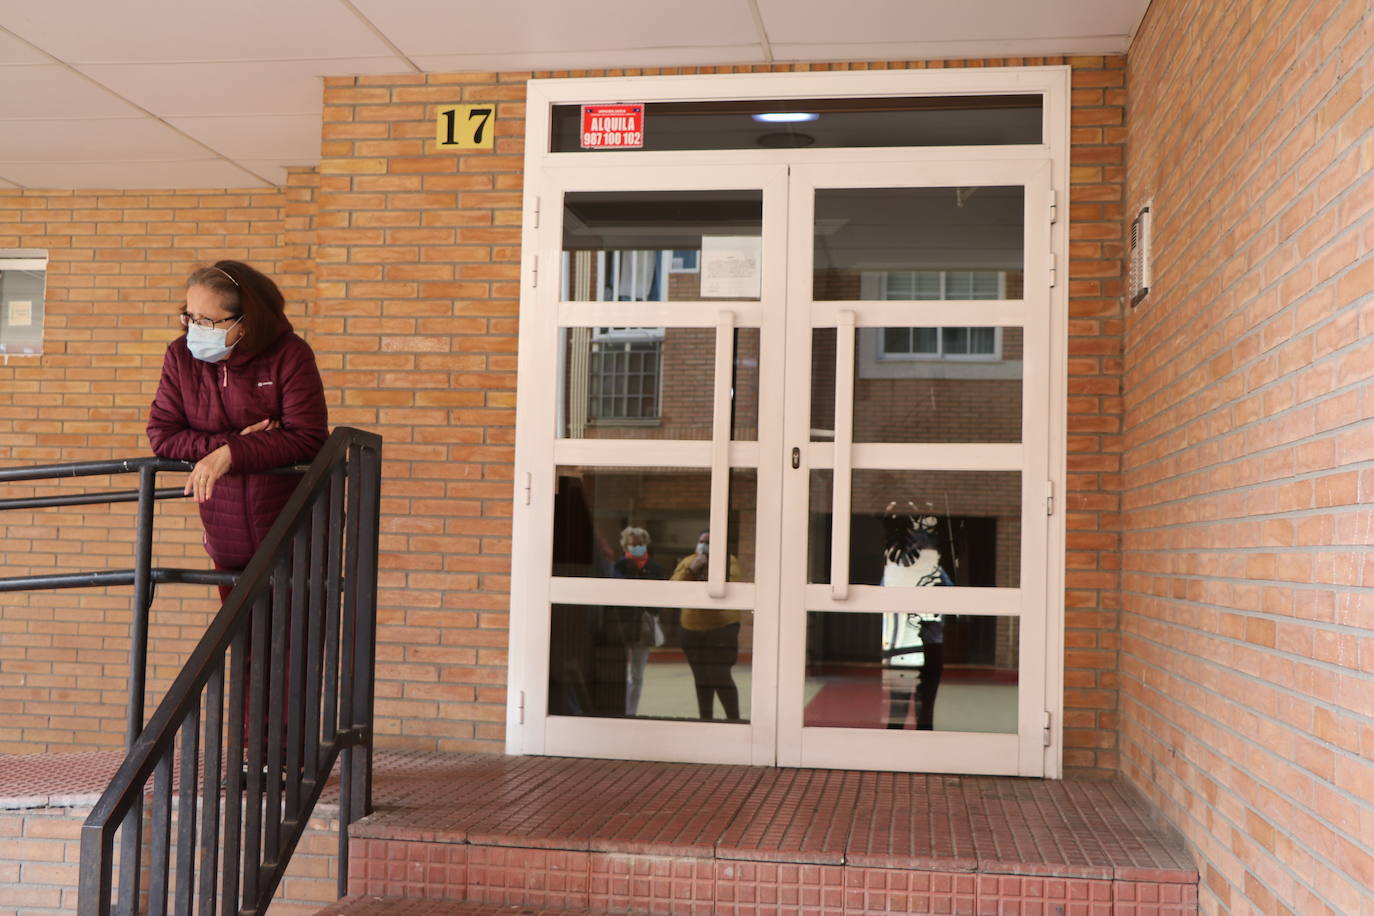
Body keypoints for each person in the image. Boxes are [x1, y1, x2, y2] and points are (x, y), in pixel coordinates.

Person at [147, 260, 329, 589]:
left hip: (294, 536)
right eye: (189, 317)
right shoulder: (180, 356)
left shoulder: (290, 354)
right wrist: (230, 448)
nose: (194, 328)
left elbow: (308, 437)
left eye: (207, 320)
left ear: (245, 321)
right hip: (226, 536)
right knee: (240, 638)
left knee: (293, 638)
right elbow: (163, 435)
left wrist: (233, 453)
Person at [879, 507, 948, 730]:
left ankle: (919, 749)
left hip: (927, 643)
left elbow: (955, 599)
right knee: (902, 709)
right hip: (903, 645)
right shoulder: (896, 568)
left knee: (921, 710)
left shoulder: (935, 570)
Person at [670, 530, 744, 721]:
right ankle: (705, 719)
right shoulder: (688, 561)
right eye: (701, 541)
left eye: (709, 542)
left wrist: (711, 566)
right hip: (691, 629)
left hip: (720, 629)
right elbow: (673, 588)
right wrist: (692, 570)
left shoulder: (729, 561)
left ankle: (733, 719)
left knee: (720, 676)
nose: (704, 545)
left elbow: (731, 584)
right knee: (701, 678)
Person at [608, 526, 667, 716]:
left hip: (643, 628)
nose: (637, 547)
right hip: (622, 626)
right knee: (618, 673)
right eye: (633, 544)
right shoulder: (618, 567)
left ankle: (630, 712)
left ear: (646, 544)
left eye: (640, 544)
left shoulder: (655, 568)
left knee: (637, 675)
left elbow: (661, 597)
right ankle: (619, 709)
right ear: (626, 545)